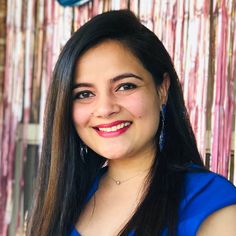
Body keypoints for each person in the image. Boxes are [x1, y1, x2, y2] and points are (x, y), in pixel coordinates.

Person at [26, 9, 236, 236]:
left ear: (162, 89)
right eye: (85, 94)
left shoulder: (210, 204)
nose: (105, 109)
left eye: (126, 86)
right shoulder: (65, 197)